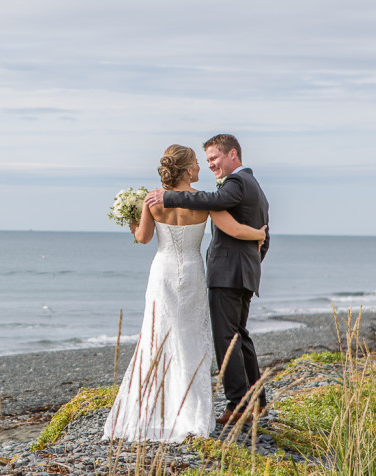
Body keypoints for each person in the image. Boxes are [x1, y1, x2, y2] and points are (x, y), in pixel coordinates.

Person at [103, 144, 266, 442]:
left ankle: (153, 409)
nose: (201, 167)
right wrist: (259, 234)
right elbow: (234, 230)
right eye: (197, 163)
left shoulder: (152, 200)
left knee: (157, 335)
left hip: (162, 272)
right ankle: (191, 411)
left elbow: (143, 237)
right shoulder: (204, 202)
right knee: (190, 337)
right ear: (189, 169)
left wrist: (131, 219)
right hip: (191, 272)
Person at [144, 134, 270, 426]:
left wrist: (169, 196)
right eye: (207, 160)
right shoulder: (253, 185)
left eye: (214, 158)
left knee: (227, 339)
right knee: (240, 336)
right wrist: (254, 259)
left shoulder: (236, 183)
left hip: (228, 273)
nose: (211, 164)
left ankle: (238, 405)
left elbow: (217, 203)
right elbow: (261, 231)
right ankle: (258, 402)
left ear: (232, 154)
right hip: (242, 273)